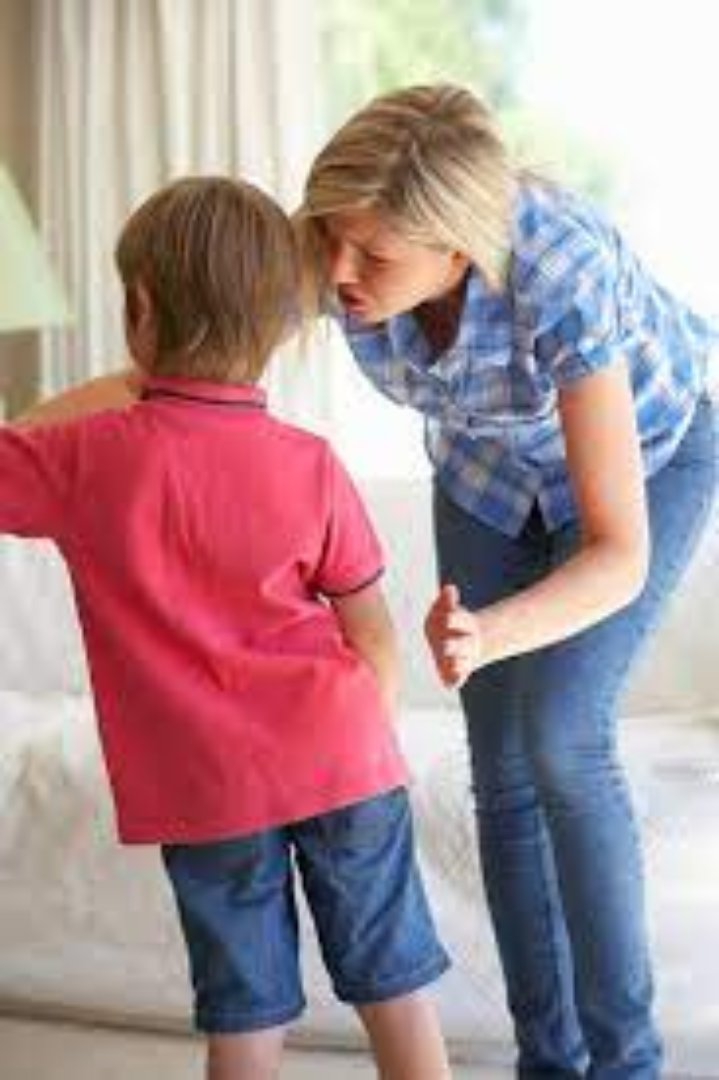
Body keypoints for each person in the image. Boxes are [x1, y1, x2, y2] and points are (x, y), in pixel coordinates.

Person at [291, 85, 718, 1079]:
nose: (338, 272)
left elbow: (614, 553)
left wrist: (491, 633)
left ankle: (626, 1066)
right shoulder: (340, 244)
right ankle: (546, 1062)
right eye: (331, 239)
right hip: (487, 476)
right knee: (500, 771)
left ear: (456, 249)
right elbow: (200, 345)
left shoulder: (559, 271)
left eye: (373, 256)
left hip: (649, 458)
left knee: (561, 737)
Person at [4, 176, 452, 1080]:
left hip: (205, 785)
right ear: (281, 328)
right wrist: (366, 744)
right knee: (395, 985)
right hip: (342, 753)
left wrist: (132, 383)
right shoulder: (310, 463)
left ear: (139, 307)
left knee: (246, 1011)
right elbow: (371, 632)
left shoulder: (85, 461)